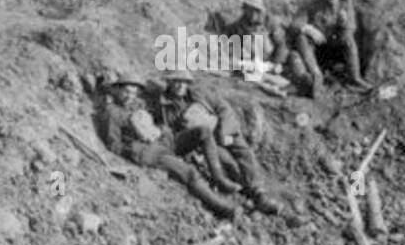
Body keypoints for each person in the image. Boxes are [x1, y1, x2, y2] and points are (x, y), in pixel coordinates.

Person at [98, 76, 238, 218]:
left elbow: (150, 119)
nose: (130, 96)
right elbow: (113, 145)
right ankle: (223, 208)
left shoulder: (135, 105)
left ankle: (220, 179)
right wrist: (134, 149)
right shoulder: (112, 113)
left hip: (164, 141)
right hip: (151, 152)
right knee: (189, 172)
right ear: (117, 90)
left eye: (133, 93)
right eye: (126, 92)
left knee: (203, 131)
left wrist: (159, 129)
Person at [157, 70, 281, 214]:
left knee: (243, 151)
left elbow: (224, 109)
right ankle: (243, 197)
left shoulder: (200, 93)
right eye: (176, 81)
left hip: (219, 129)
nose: (180, 85)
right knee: (226, 161)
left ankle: (260, 195)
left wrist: (224, 132)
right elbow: (172, 133)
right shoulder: (164, 105)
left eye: (183, 82)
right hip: (201, 141)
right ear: (169, 83)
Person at [286, 0, 370, 96]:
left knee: (349, 41)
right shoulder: (312, 2)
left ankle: (355, 78)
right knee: (301, 38)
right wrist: (308, 28)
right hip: (315, 47)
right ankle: (315, 74)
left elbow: (351, 29)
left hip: (334, 43)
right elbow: (294, 25)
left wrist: (344, 24)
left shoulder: (345, 4)